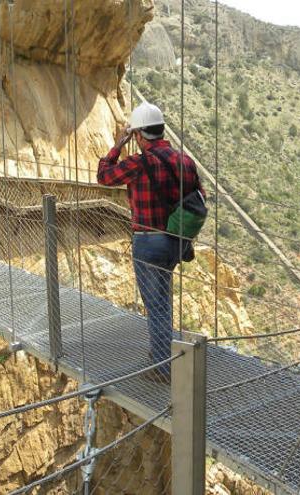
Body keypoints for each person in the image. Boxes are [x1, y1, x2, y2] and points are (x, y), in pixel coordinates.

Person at [97, 102, 203, 382]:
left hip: (148, 242)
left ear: (140, 136)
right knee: (163, 301)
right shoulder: (185, 161)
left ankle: (163, 368)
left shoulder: (137, 163)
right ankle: (162, 355)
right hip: (176, 242)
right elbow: (199, 196)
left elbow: (104, 176)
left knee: (155, 305)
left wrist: (118, 145)